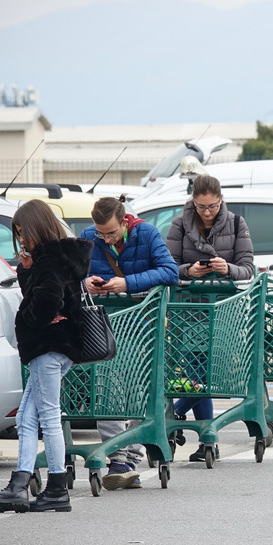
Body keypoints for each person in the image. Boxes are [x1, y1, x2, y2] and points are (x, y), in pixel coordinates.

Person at [0, 200, 92, 514]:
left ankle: (53, 487)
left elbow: (45, 300)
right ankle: (21, 483)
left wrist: (27, 320)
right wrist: (27, 272)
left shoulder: (49, 259)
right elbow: (46, 294)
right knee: (28, 418)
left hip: (49, 346)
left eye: (22, 232)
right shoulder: (56, 256)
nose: (21, 239)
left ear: (35, 227)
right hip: (59, 346)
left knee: (47, 417)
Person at [79, 197, 178, 490]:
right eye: (101, 234)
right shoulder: (87, 238)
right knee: (107, 386)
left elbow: (170, 271)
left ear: (124, 222)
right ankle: (116, 456)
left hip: (141, 323)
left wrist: (128, 282)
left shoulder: (146, 233)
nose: (105, 238)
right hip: (104, 324)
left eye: (110, 233)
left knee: (136, 388)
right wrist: (85, 282)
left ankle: (129, 457)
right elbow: (72, 273)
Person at [164, 174, 255, 461]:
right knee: (196, 372)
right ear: (193, 202)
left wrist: (227, 268)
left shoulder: (237, 223)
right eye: (202, 207)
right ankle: (207, 442)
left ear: (221, 200)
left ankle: (178, 410)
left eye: (213, 207)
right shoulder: (179, 224)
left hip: (225, 308)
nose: (207, 212)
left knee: (214, 371)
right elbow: (168, 266)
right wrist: (188, 271)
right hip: (189, 307)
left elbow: (248, 268)